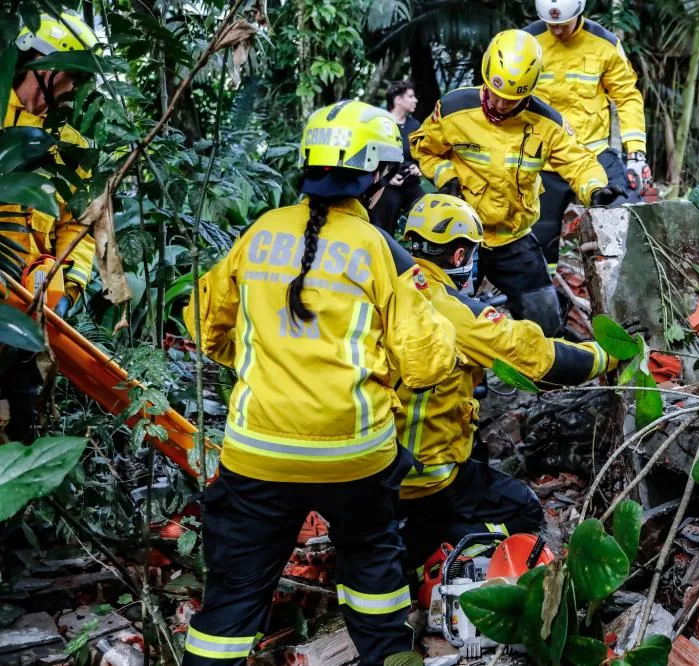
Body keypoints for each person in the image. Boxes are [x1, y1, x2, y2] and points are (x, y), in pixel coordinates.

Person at [180, 100, 458, 666]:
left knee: (232, 598)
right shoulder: (380, 250)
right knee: (374, 565)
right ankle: (389, 656)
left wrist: (260, 361)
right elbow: (429, 363)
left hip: (257, 453)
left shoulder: (259, 233)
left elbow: (203, 323)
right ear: (377, 174)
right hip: (356, 457)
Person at [393, 193, 616, 568]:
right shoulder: (456, 312)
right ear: (461, 256)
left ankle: (419, 559)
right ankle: (472, 577)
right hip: (426, 474)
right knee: (522, 510)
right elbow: (541, 361)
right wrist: (607, 354)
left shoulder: (388, 290)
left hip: (375, 464)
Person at [410, 29, 622, 337]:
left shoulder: (547, 123)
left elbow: (579, 161)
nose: (499, 104)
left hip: (513, 237)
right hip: (461, 235)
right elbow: (423, 147)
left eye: (511, 99)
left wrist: (594, 188)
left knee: (545, 319)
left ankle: (547, 381)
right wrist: (446, 176)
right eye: (494, 93)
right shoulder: (454, 109)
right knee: (444, 317)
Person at [1, 13, 99, 443]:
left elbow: (79, 227)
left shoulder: (71, 146)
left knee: (23, 430)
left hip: (31, 316)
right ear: (45, 67)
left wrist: (67, 286)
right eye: (72, 76)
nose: (75, 88)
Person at [525, 0, 649, 264]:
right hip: (544, 160)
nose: (556, 31)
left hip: (593, 154)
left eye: (563, 24)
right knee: (536, 241)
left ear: (579, 12)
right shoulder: (526, 42)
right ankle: (545, 299)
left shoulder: (604, 44)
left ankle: (627, 281)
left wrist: (636, 154)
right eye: (551, 24)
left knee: (626, 210)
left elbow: (627, 97)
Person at [370, 80, 425, 234]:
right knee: (383, 226)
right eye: (411, 96)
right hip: (387, 184)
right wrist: (386, 176)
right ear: (398, 99)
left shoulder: (414, 126)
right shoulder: (380, 123)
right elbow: (372, 154)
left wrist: (418, 167)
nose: (415, 100)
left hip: (410, 183)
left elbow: (422, 154)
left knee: (425, 211)